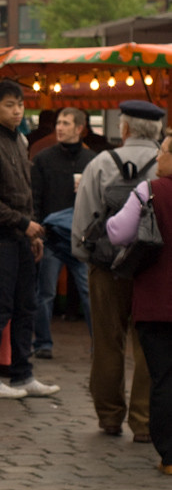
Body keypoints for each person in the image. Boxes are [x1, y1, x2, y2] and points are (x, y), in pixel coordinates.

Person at [72, 100, 164, 441]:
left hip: (107, 266)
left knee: (108, 342)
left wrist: (86, 256)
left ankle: (109, 416)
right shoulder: (165, 165)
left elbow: (82, 220)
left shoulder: (100, 163)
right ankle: (143, 421)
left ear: (123, 128)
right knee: (147, 344)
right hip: (152, 268)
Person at [0, 79, 59, 399]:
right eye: (10, 104)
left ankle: (23, 374)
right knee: (0, 307)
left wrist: (31, 231)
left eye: (20, 104)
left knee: (27, 306)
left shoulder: (20, 141)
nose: (17, 109)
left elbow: (25, 192)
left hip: (22, 237)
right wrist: (23, 223)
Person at [106, 128, 172, 474]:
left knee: (163, 378)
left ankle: (169, 456)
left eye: (162, 152)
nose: (158, 158)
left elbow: (117, 232)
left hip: (157, 302)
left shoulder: (148, 191)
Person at [30, 107, 95, 359]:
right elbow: (34, 196)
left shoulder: (92, 161)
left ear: (79, 128)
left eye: (66, 123)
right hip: (52, 238)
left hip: (82, 239)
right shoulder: (44, 158)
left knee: (89, 295)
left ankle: (98, 345)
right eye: (58, 122)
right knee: (45, 293)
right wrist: (36, 230)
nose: (59, 127)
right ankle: (43, 344)